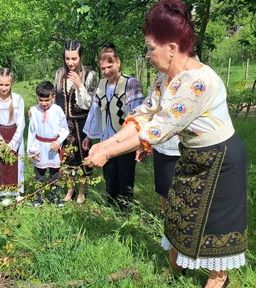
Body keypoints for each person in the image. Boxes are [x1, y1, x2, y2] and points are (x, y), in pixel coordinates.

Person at [85, 0, 248, 288]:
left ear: (171, 48)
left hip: (221, 157)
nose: (147, 55)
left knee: (215, 219)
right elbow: (143, 115)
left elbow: (157, 130)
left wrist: (108, 153)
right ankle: (177, 265)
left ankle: (218, 277)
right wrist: (106, 143)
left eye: (150, 48)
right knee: (178, 209)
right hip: (194, 153)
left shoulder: (197, 82)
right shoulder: (165, 79)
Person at [83, 43, 179, 210]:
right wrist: (89, 136)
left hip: (126, 138)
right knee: (110, 175)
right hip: (107, 137)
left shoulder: (130, 84)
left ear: (118, 63)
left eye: (110, 66)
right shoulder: (101, 85)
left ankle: (125, 210)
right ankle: (110, 206)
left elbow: (138, 113)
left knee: (125, 175)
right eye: (103, 68)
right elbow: (95, 111)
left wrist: (139, 145)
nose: (106, 71)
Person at [55, 39, 98, 204]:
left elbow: (90, 104)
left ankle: (81, 191)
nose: (70, 62)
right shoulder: (59, 74)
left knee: (83, 159)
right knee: (68, 159)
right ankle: (70, 189)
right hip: (65, 124)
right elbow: (55, 99)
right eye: (67, 58)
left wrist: (80, 85)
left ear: (81, 57)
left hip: (82, 124)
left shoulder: (89, 75)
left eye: (74, 58)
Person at [0, 68, 26, 205]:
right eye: (1, 84)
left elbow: (21, 123)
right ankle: (4, 192)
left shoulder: (18, 99)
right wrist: (1, 145)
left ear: (12, 83)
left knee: (16, 163)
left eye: (7, 85)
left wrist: (14, 143)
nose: (4, 88)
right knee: (2, 163)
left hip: (14, 135)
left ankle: (17, 191)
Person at [26, 81, 69, 207]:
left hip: (53, 147)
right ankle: (38, 199)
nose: (43, 103)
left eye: (47, 100)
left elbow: (64, 129)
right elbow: (31, 131)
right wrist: (32, 150)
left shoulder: (57, 110)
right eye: (40, 100)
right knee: (39, 175)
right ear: (37, 97)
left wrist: (58, 142)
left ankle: (55, 197)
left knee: (55, 174)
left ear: (53, 97)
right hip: (39, 145)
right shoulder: (33, 111)